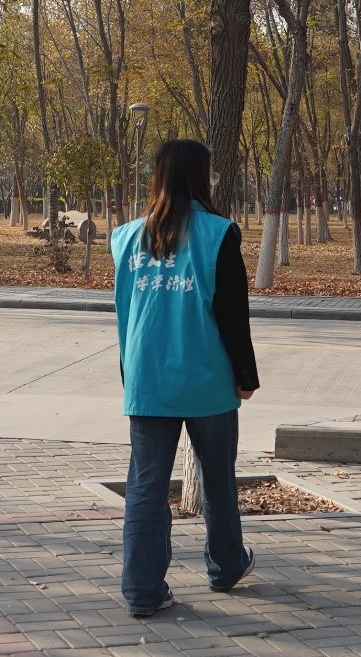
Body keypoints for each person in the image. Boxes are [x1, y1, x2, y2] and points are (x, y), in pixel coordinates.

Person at [111, 139, 259, 618]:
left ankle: (141, 590)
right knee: (217, 479)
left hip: (147, 380)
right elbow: (233, 315)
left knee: (146, 487)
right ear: (201, 176)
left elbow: (125, 313)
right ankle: (226, 566)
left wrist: (128, 372)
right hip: (206, 380)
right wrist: (246, 374)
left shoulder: (125, 237)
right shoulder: (219, 234)